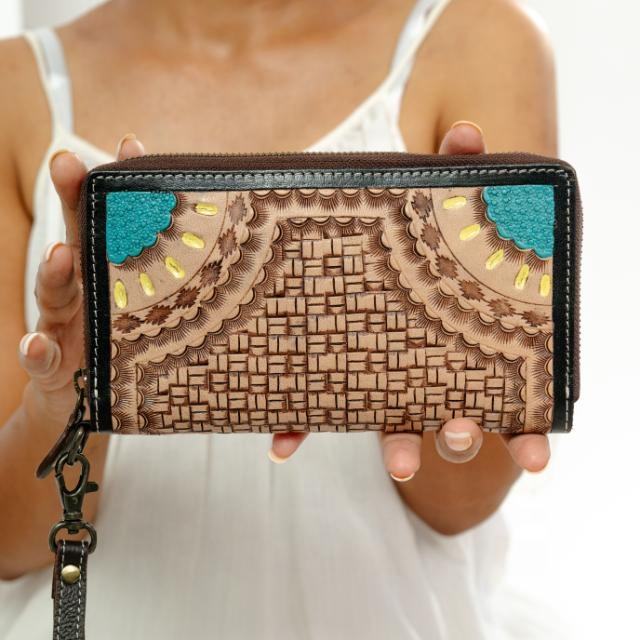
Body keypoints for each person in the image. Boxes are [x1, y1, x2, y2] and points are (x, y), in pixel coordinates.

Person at [0, 0, 559, 637]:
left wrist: (417, 366)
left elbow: (458, 506)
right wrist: (70, 398)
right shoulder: (15, 85)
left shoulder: (481, 40)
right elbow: (9, 543)